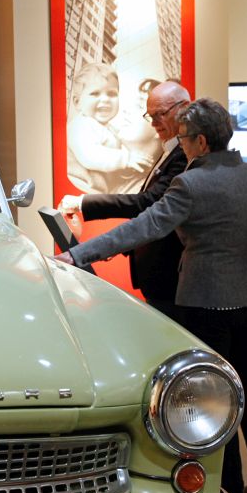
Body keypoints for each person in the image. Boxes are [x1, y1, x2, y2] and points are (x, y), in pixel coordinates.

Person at [59, 98, 247, 493]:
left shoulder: (192, 185)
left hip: (206, 300)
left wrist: (80, 254)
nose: (180, 145)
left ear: (198, 141)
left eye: (182, 138)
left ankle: (233, 491)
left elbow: (145, 226)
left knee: (217, 396)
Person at [59, 79, 190, 321]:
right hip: (158, 275)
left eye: (159, 114)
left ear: (184, 108)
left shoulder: (184, 155)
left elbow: (149, 204)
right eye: (149, 115)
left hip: (169, 276)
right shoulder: (169, 150)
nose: (153, 123)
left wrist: (84, 202)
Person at [66, 63, 154, 194]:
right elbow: (89, 154)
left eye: (112, 94)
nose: (105, 99)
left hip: (98, 191)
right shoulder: (81, 125)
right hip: (82, 186)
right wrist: (126, 159)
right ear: (77, 102)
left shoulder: (109, 128)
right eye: (95, 93)